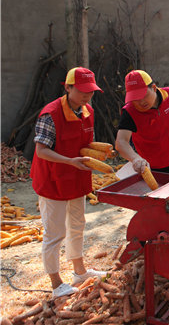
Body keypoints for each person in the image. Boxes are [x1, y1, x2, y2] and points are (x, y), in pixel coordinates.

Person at [30, 67, 108, 298]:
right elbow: (41, 151)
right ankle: (56, 284)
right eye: (82, 91)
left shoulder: (88, 111)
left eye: (90, 91)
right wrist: (70, 161)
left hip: (76, 176)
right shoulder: (50, 114)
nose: (87, 96)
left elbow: (85, 142)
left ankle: (80, 271)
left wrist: (98, 153)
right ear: (68, 87)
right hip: (53, 179)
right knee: (54, 233)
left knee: (77, 225)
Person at [115, 70, 169, 176]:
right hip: (156, 169)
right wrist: (135, 159)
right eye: (135, 98)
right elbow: (121, 142)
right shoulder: (130, 112)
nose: (140, 102)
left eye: (143, 95)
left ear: (153, 88)